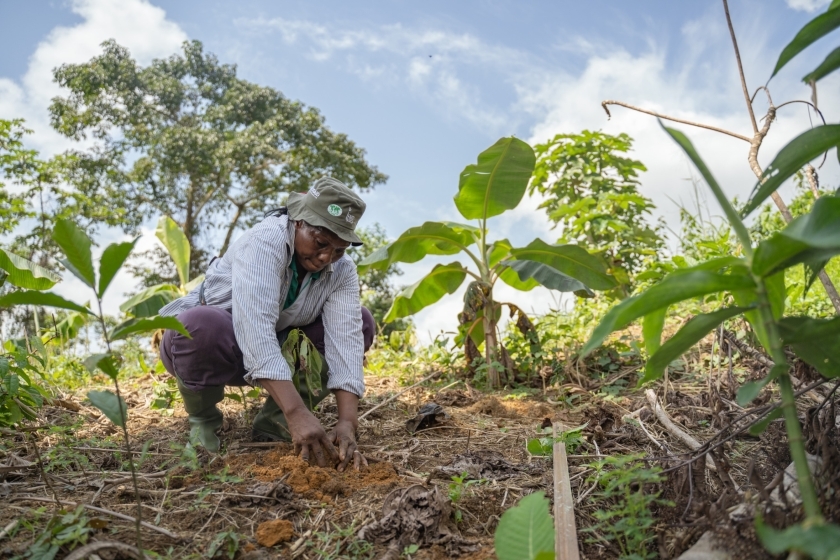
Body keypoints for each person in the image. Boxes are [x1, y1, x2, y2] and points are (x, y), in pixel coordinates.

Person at [158, 177, 375, 472]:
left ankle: (274, 422)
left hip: (279, 353)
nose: (327, 257)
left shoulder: (341, 269)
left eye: (339, 249)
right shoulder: (266, 240)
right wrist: (297, 412)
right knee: (199, 325)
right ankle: (204, 424)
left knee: (361, 321)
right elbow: (255, 328)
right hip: (222, 349)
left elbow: (345, 340)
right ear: (298, 222)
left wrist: (348, 423)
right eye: (321, 243)